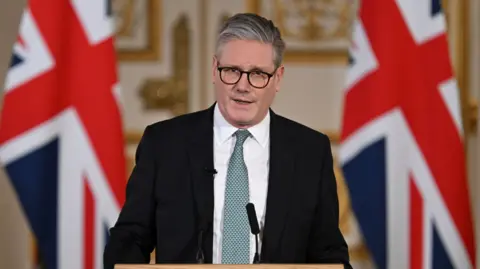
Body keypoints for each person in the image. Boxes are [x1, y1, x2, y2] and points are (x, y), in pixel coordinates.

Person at [104, 12, 351, 269]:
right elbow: (130, 239)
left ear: (277, 79)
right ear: (214, 69)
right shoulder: (164, 144)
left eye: (257, 74)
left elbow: (329, 252)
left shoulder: (309, 152)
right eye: (232, 71)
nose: (243, 86)